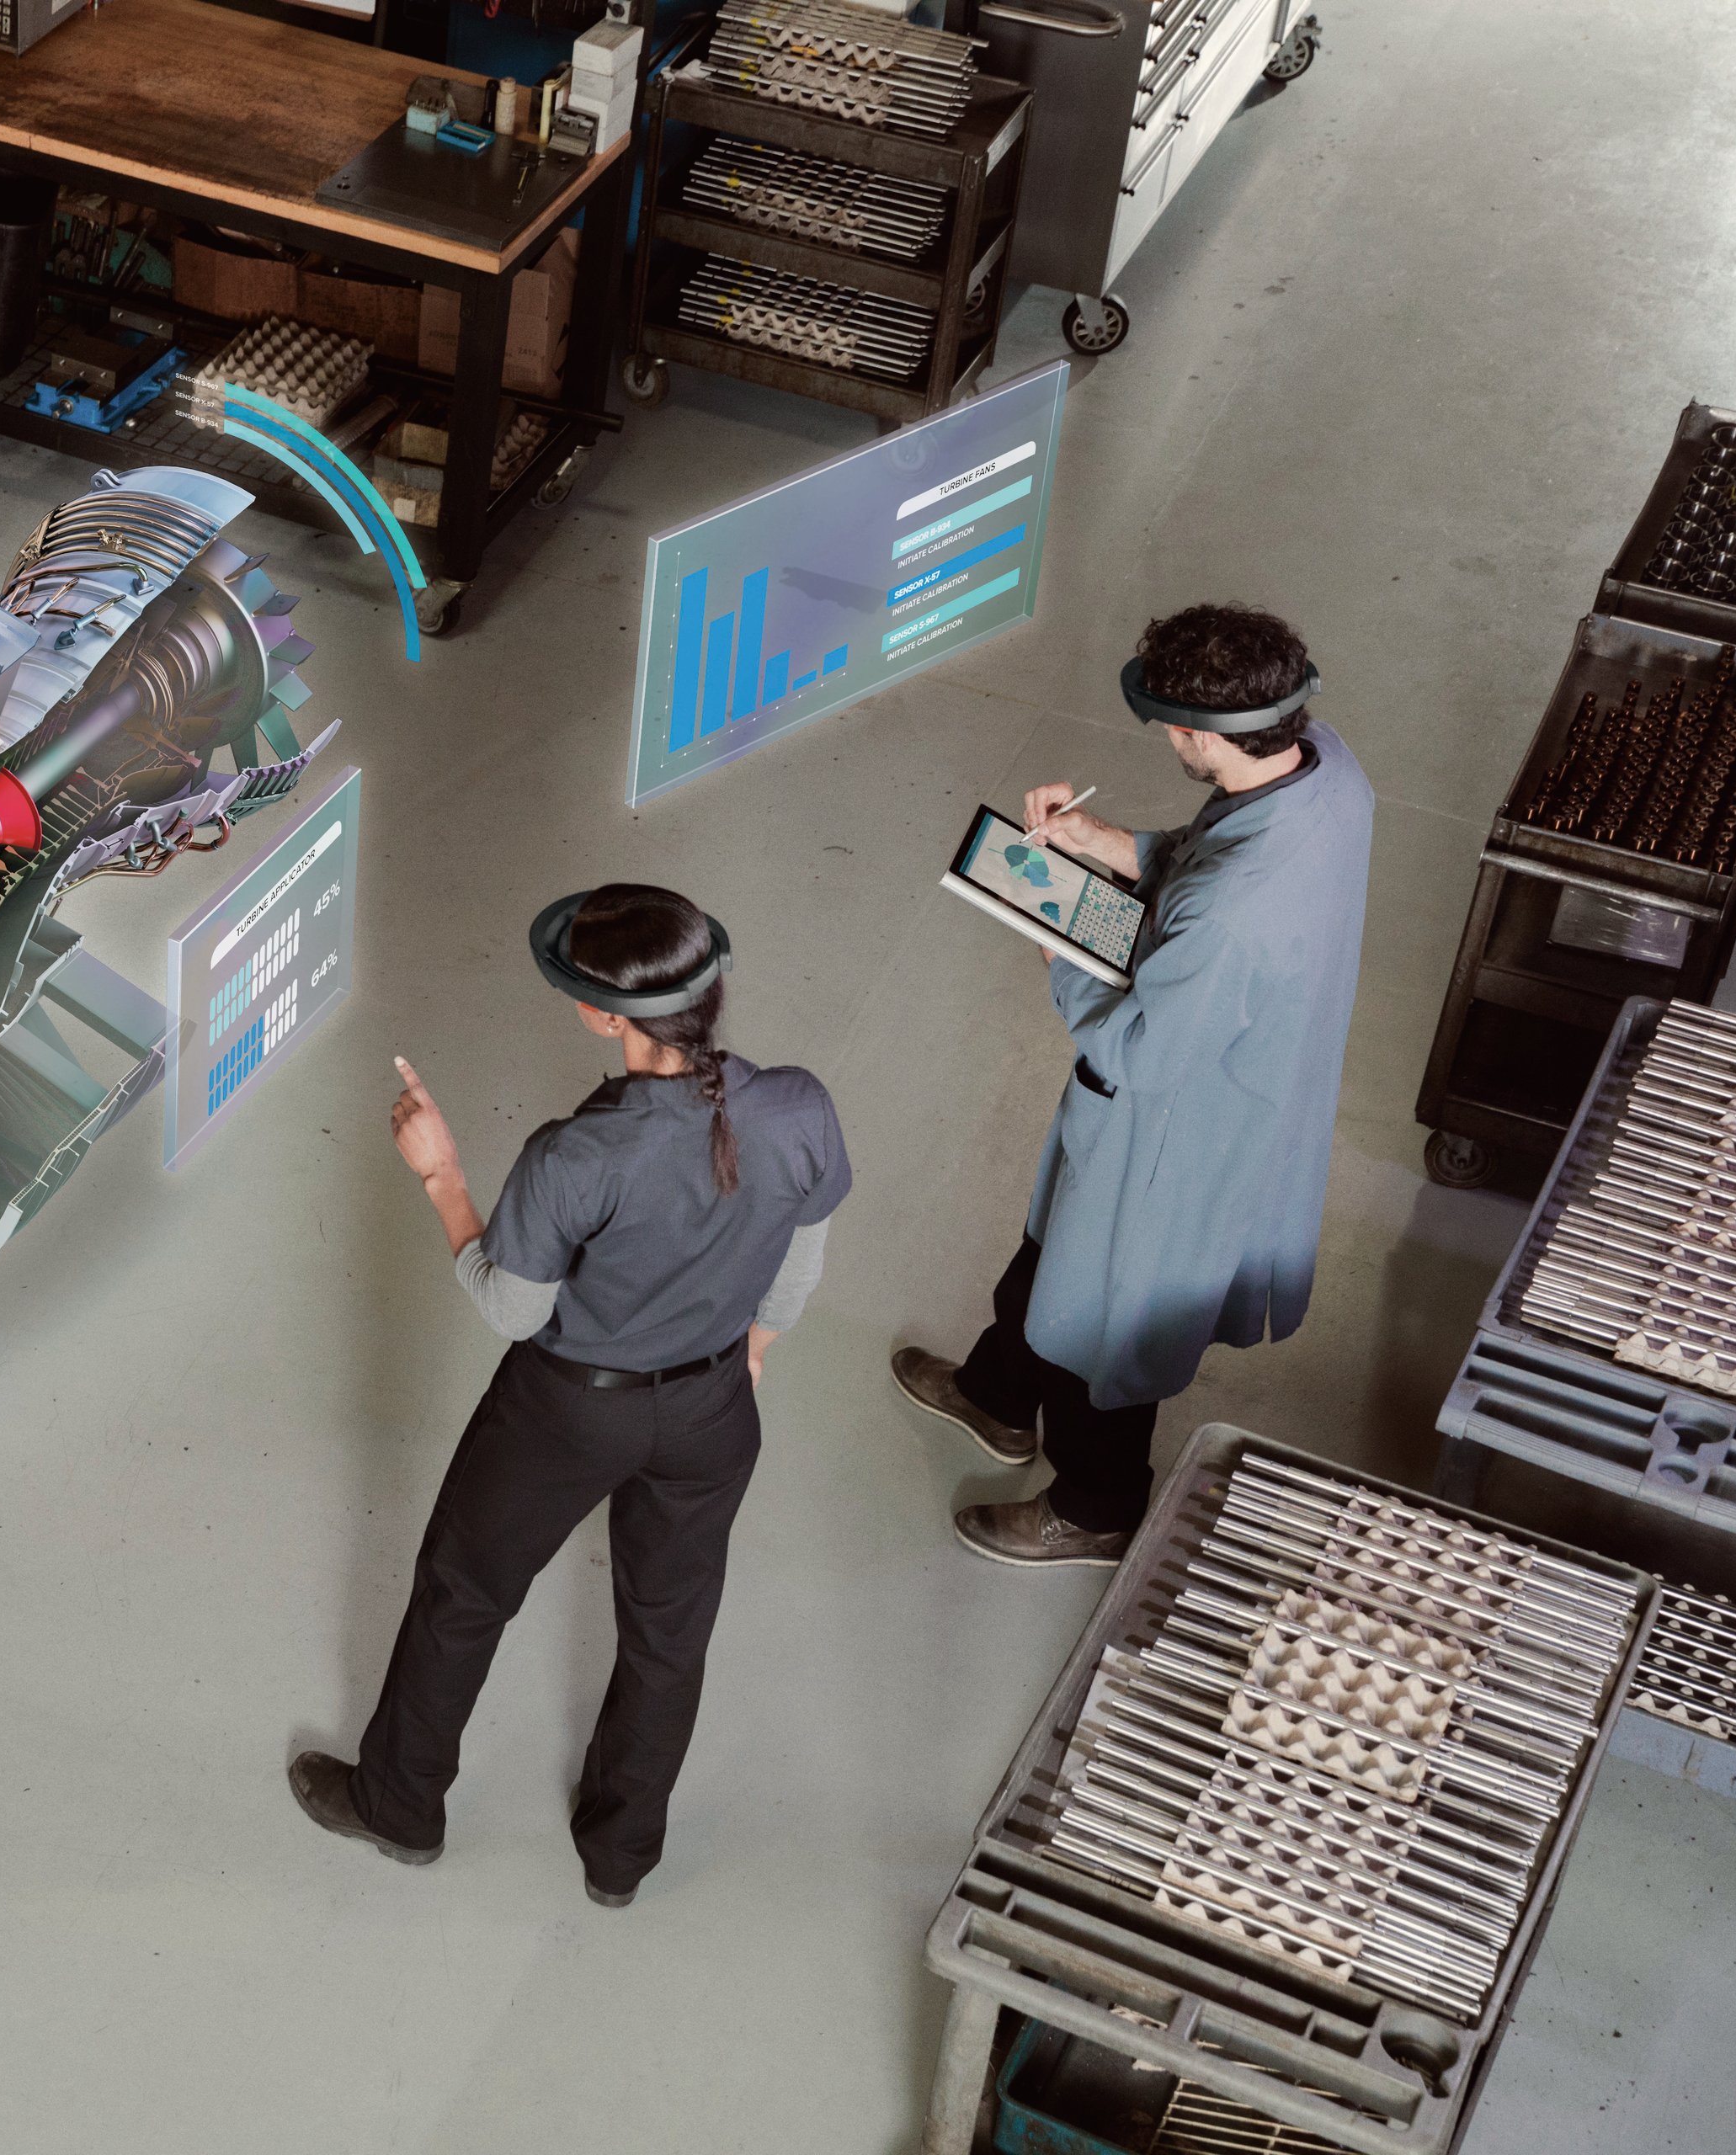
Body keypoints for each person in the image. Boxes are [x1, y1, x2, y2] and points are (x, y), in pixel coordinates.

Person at [290, 884, 851, 1907]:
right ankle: (621, 1854)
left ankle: (401, 1807)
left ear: (605, 1016)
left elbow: (510, 1308)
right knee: (669, 1634)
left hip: (567, 1409)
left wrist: (443, 1175)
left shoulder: (574, 1155)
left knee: (465, 1594)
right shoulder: (798, 1104)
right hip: (713, 1409)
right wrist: (751, 1351)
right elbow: (800, 1264)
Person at [893, 604, 1374, 1567]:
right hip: (1241, 1066)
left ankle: (1098, 1502)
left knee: (1108, 1316)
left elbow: (1140, 1052)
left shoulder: (1234, 913)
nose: (1163, 737)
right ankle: (996, 1397)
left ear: (1199, 735)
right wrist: (1104, 845)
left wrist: (1052, 938)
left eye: (1168, 726)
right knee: (1052, 1255)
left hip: (1175, 1129)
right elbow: (1204, 859)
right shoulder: (1323, 763)